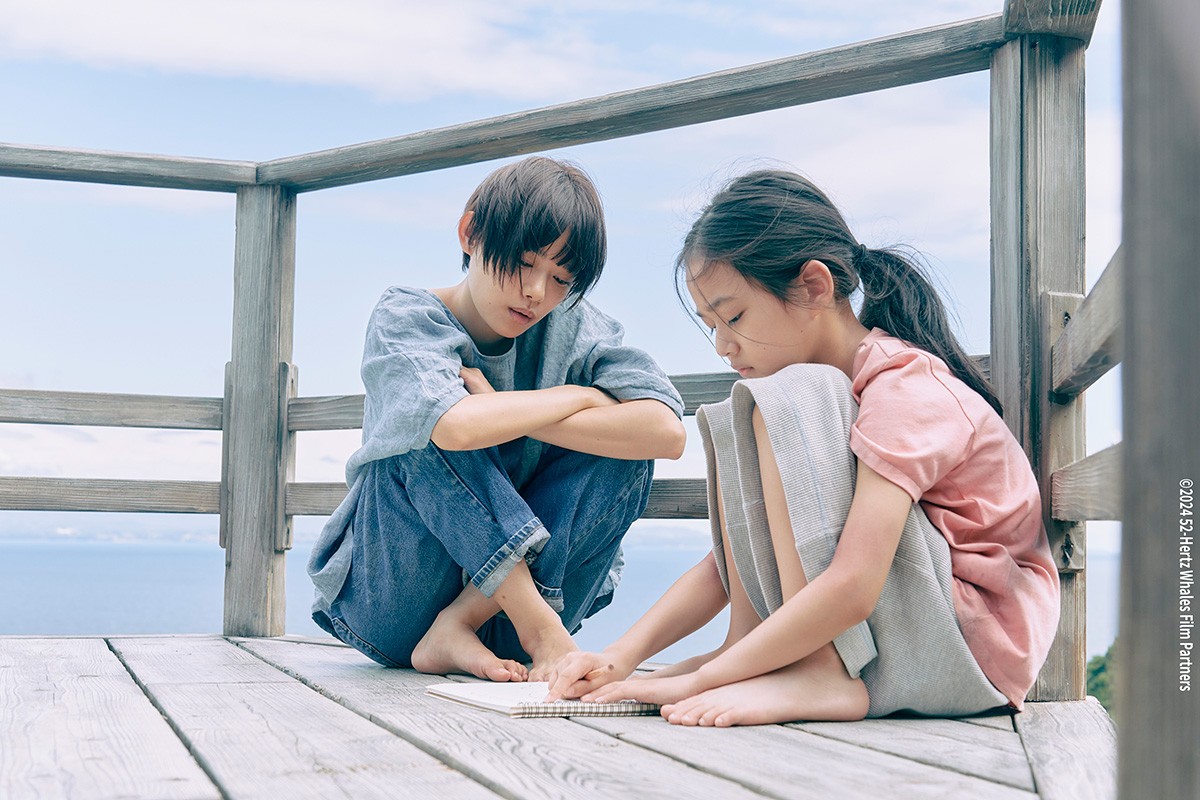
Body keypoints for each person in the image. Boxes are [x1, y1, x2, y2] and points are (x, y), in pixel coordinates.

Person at [547, 169, 1060, 726]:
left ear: (814, 286)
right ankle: (749, 650)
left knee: (782, 395)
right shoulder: (834, 399)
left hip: (976, 642)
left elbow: (855, 584)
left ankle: (817, 668)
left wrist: (698, 682)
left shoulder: (901, 387)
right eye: (711, 325)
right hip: (928, 627)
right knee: (736, 414)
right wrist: (622, 656)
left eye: (734, 316)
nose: (722, 345)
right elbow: (729, 562)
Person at [308, 156, 686, 683]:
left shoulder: (578, 330)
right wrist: (582, 398)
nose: (537, 293)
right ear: (471, 234)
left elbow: (665, 432)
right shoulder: (408, 317)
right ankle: (540, 632)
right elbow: (455, 426)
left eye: (560, 278)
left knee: (625, 452)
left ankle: (464, 624)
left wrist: (537, 408)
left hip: (516, 617)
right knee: (426, 426)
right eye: (525, 263)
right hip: (398, 604)